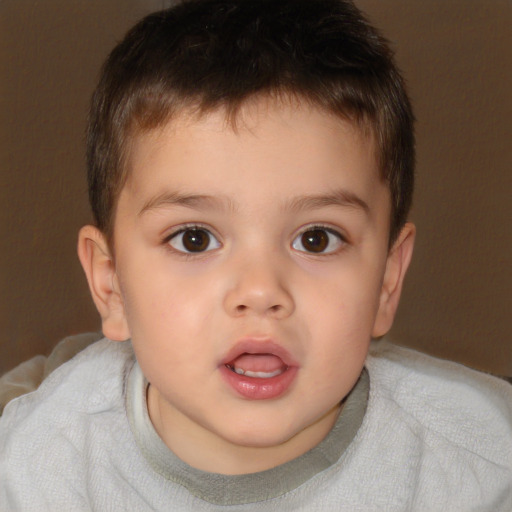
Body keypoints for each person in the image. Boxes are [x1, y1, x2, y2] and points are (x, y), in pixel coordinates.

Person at [1, 0, 511, 509]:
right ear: (111, 284)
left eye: (317, 239)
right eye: (194, 238)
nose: (261, 290)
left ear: (386, 281)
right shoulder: (36, 468)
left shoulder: (481, 466)